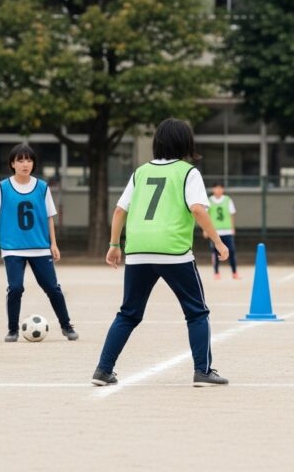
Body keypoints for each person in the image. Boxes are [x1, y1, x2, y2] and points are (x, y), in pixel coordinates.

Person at [92, 119, 230, 388]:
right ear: (186, 143)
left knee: (128, 313)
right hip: (173, 251)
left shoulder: (140, 172)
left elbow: (120, 210)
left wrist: (113, 245)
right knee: (197, 312)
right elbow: (199, 209)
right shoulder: (188, 172)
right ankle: (202, 371)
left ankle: (103, 369)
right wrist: (218, 242)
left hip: (138, 250)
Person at [0, 143, 78, 343]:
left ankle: (66, 325)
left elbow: (50, 217)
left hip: (40, 247)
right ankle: (12, 330)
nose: (25, 164)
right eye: (20, 160)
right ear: (12, 164)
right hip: (12, 248)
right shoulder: (3, 187)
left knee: (52, 288)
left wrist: (53, 243)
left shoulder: (42, 187)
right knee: (15, 288)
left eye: (29, 160)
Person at [207, 182, 240, 280]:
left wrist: (232, 228)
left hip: (227, 231)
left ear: (223, 189)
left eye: (220, 188)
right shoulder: (209, 201)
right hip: (215, 232)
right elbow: (206, 216)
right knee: (215, 253)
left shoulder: (227, 200)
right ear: (213, 189)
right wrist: (206, 230)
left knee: (231, 252)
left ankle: (234, 272)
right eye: (216, 188)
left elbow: (231, 214)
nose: (218, 190)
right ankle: (216, 272)